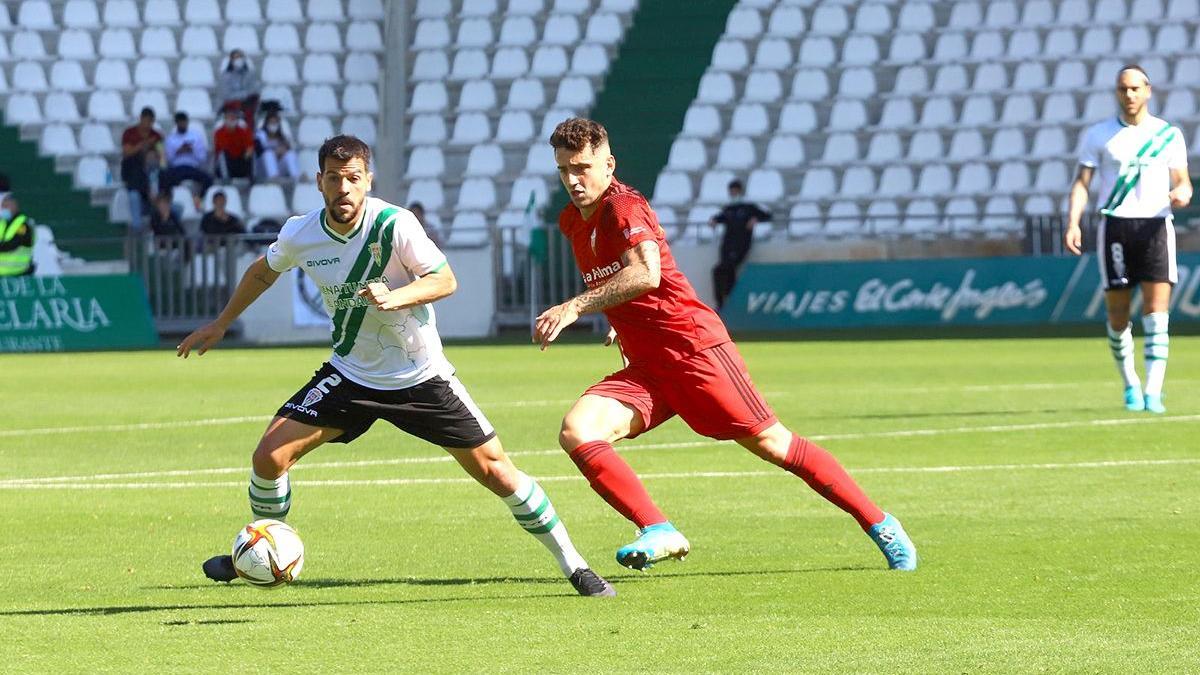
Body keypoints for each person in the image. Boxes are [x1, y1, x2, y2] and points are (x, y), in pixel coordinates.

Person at [177, 135, 615, 597]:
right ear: (318, 181)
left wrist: (396, 296)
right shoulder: (300, 233)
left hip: (419, 377)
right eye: (333, 178)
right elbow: (264, 270)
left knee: (496, 471)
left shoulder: (394, 224)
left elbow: (445, 279)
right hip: (351, 374)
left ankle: (576, 566)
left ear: (367, 180)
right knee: (268, 457)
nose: (343, 188)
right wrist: (221, 323)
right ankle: (260, 551)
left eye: (352, 178)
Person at [534, 118, 916, 572]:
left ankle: (880, 523)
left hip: (694, 352)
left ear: (608, 163)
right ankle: (659, 529)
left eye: (582, 167)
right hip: (648, 367)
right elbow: (630, 282)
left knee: (775, 444)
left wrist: (577, 307)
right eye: (564, 170)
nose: (574, 180)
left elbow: (646, 273)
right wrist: (622, 319)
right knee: (578, 430)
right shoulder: (572, 221)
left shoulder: (623, 207)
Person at [1065, 64, 1192, 415]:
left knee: (1157, 312)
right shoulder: (1099, 135)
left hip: (1155, 227)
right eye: (1123, 89)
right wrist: (1073, 221)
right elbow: (1082, 183)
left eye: (1136, 88)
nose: (1130, 95)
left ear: (1148, 90)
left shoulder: (1169, 134)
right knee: (1118, 315)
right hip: (1115, 228)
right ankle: (1130, 383)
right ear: (1117, 93)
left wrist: (1181, 192)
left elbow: (1183, 181)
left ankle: (1153, 392)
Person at [709, 179, 771, 310]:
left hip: (741, 244)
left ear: (740, 191)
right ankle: (721, 301)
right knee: (719, 270)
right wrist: (714, 220)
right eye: (731, 191)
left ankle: (728, 300)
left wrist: (756, 219)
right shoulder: (729, 208)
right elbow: (720, 217)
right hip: (727, 244)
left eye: (735, 190)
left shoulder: (748, 207)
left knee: (729, 267)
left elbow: (767, 215)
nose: (733, 193)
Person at [120, 107, 164, 234]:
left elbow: (162, 157)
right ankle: (137, 228)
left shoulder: (156, 136)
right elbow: (126, 152)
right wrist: (142, 145)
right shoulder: (129, 133)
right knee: (134, 196)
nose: (147, 124)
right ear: (140, 119)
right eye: (145, 120)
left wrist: (153, 154)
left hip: (151, 173)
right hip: (133, 172)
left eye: (150, 121)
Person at [161, 111, 213, 207]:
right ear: (176, 123)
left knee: (209, 179)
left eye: (184, 122)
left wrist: (192, 150)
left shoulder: (196, 136)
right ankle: (168, 203)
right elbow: (168, 159)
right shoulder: (171, 139)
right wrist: (178, 151)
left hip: (192, 167)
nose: (182, 124)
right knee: (164, 178)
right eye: (180, 122)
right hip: (177, 168)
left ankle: (199, 199)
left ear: (187, 122)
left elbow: (202, 158)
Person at [216, 49, 261, 127]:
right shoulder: (225, 76)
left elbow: (254, 90)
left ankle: (249, 133)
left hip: (246, 105)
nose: (238, 60)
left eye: (240, 57)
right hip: (229, 106)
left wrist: (241, 95)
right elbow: (227, 95)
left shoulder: (250, 74)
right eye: (236, 58)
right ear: (231, 60)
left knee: (251, 106)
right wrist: (244, 94)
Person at [213, 103, 255, 182]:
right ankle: (226, 179)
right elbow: (222, 149)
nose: (232, 118)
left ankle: (251, 178)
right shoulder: (219, 132)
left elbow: (250, 147)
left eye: (234, 116)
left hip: (240, 161)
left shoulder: (243, 130)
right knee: (223, 155)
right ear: (225, 118)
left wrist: (247, 153)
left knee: (251, 155)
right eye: (229, 116)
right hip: (227, 163)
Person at [255, 109, 301, 179]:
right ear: (266, 124)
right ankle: (274, 178)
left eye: (275, 123)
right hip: (263, 168)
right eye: (271, 122)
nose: (273, 125)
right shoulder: (260, 135)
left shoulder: (281, 137)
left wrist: (284, 149)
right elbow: (258, 151)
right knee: (268, 154)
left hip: (278, 167)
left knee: (290, 154)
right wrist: (275, 152)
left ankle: (296, 177)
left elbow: (289, 148)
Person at [0, 193, 35, 276]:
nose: (4, 209)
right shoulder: (2, 223)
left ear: (15, 206)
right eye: (3, 206)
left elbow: (13, 244)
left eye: (7, 206)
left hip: (18, 272)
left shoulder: (23, 224)